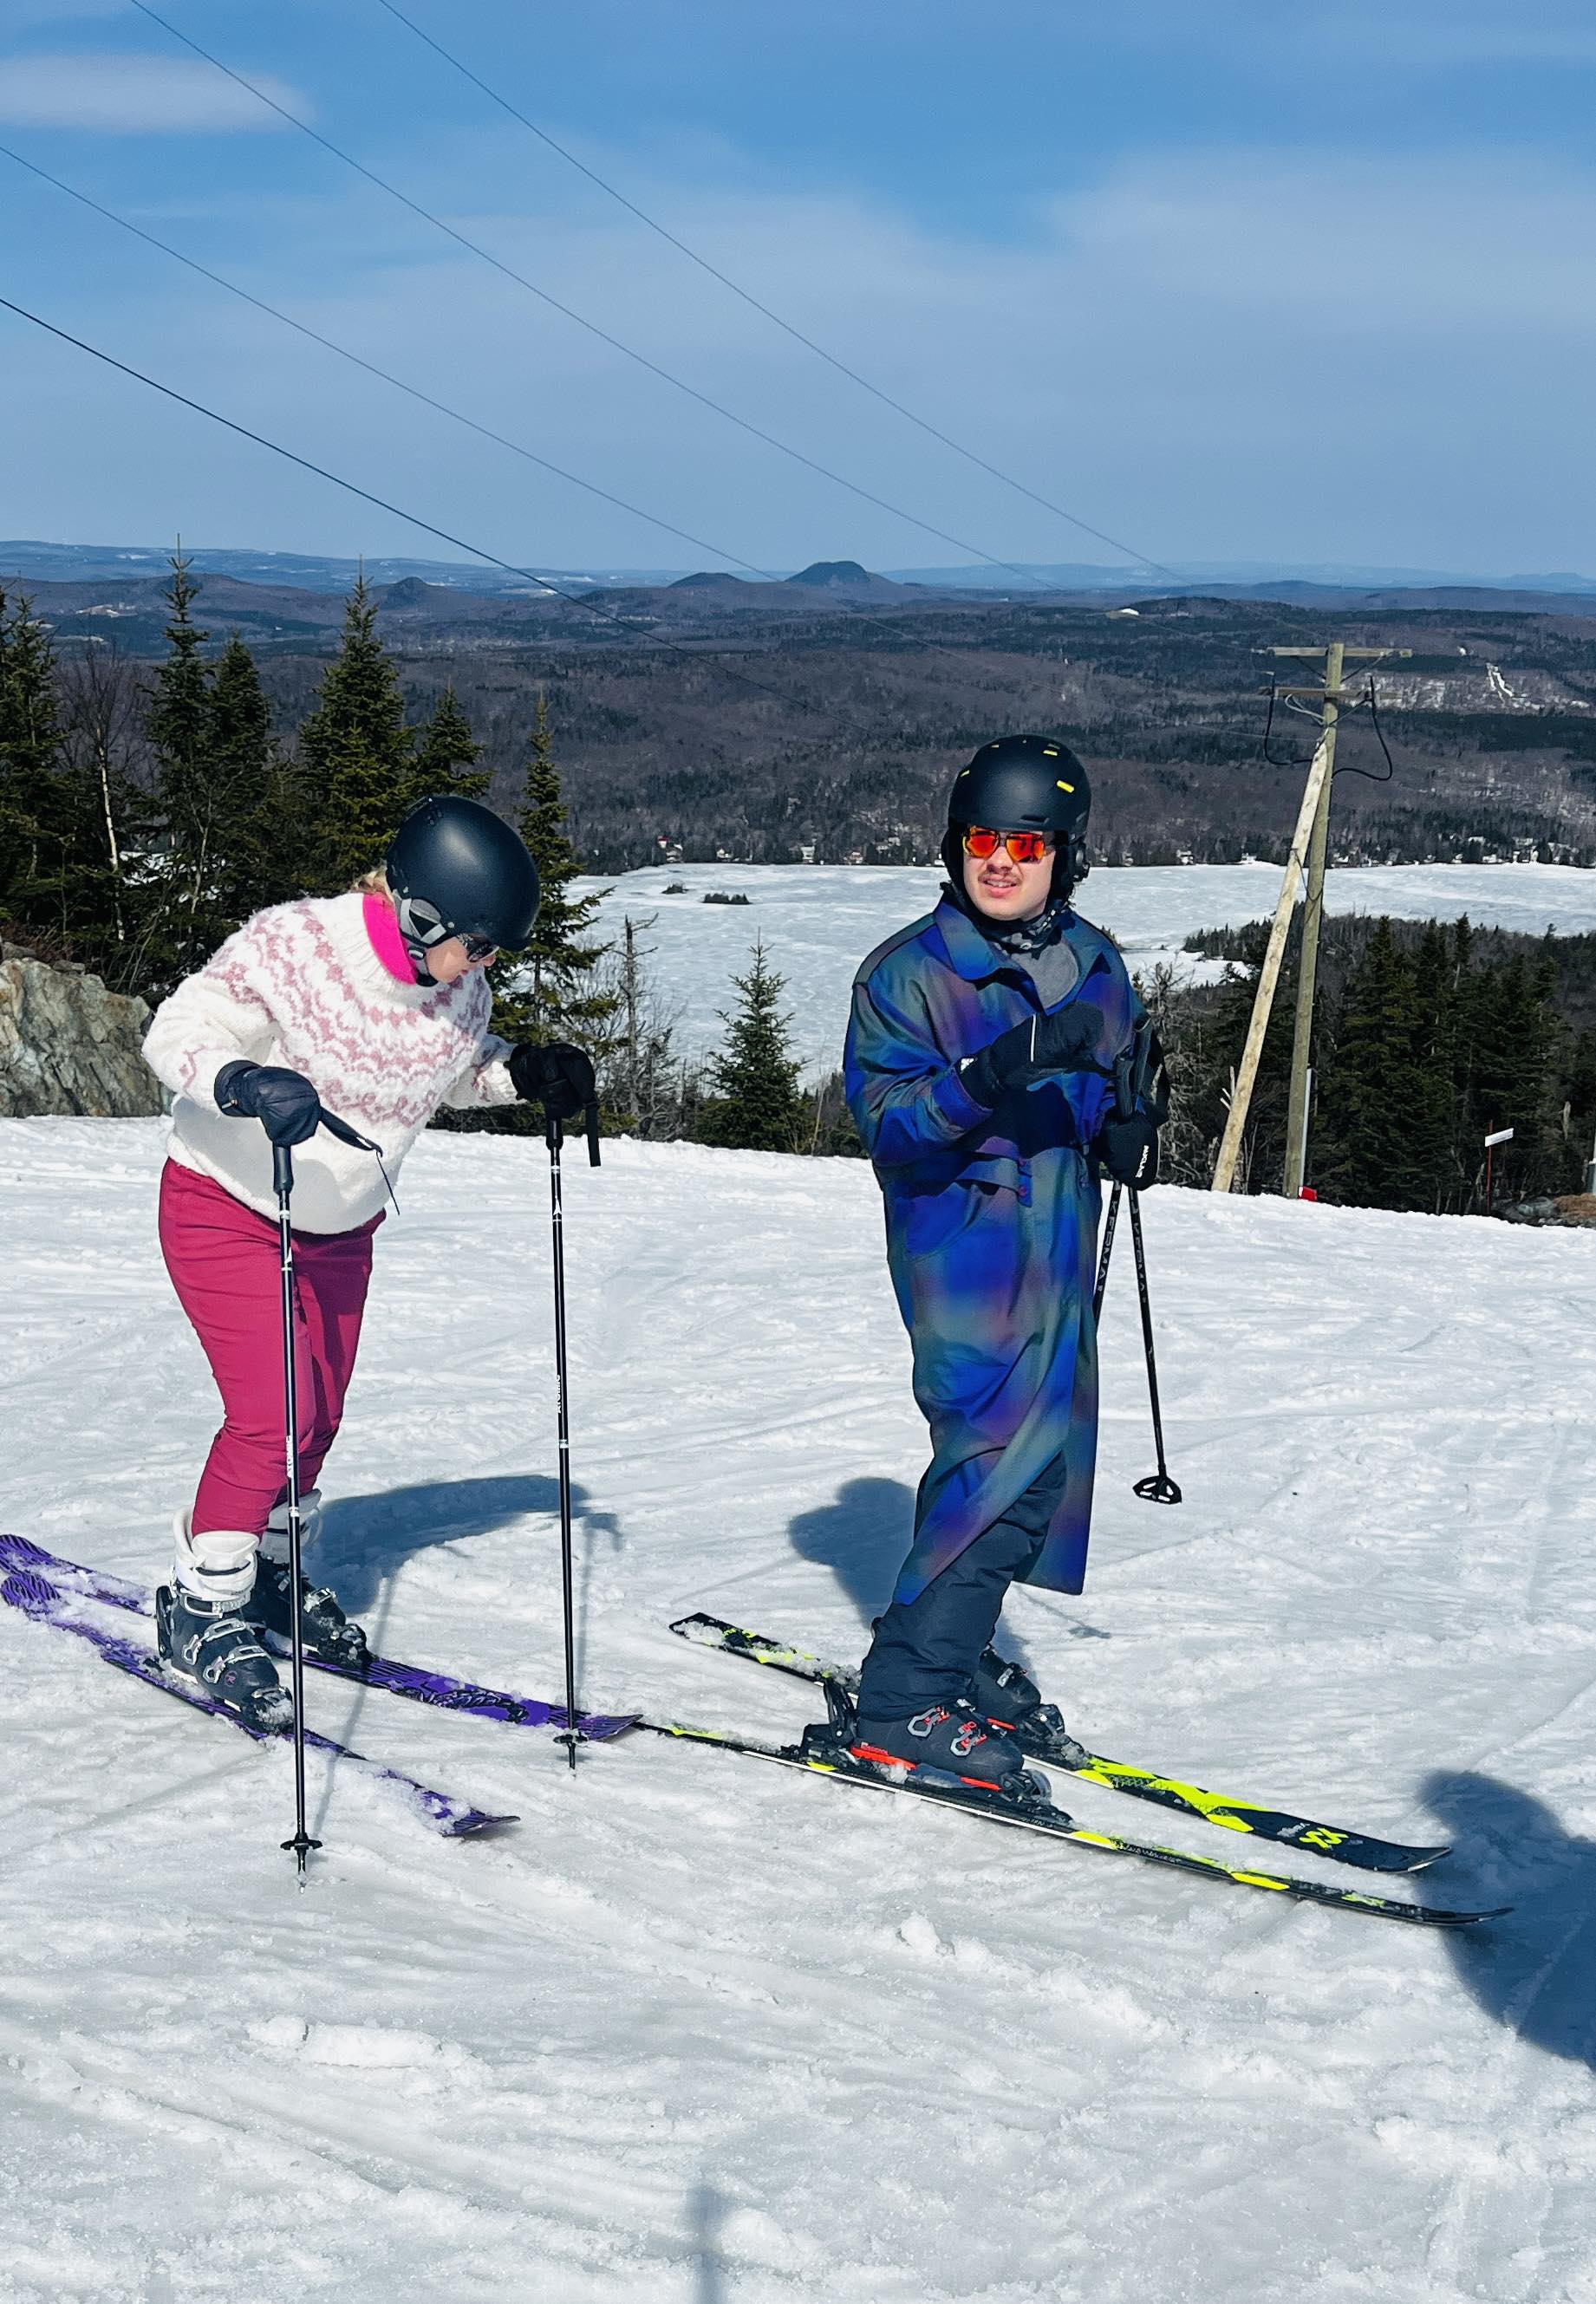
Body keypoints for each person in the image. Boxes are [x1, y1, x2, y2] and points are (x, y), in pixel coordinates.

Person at [140, 792, 596, 1728]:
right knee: (272, 1416)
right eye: (479, 944)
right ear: (420, 913)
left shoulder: (459, 987)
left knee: (317, 1415)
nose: (487, 963)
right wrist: (239, 1079)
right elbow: (176, 1031)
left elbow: (452, 1070)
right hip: (228, 1205)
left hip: (341, 1228)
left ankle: (269, 1568)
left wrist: (523, 1073)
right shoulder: (296, 947)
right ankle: (202, 1602)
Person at [839, 734, 1163, 1792]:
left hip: (1057, 1246)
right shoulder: (907, 975)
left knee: (1043, 1470)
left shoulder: (1094, 963)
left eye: (1024, 845)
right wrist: (989, 1073)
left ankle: (952, 1645)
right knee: (993, 1469)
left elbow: (1115, 1080)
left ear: (1063, 856)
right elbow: (890, 1128)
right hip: (966, 1257)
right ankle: (904, 1698)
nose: (999, 862)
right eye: (982, 840)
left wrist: (1126, 1129)